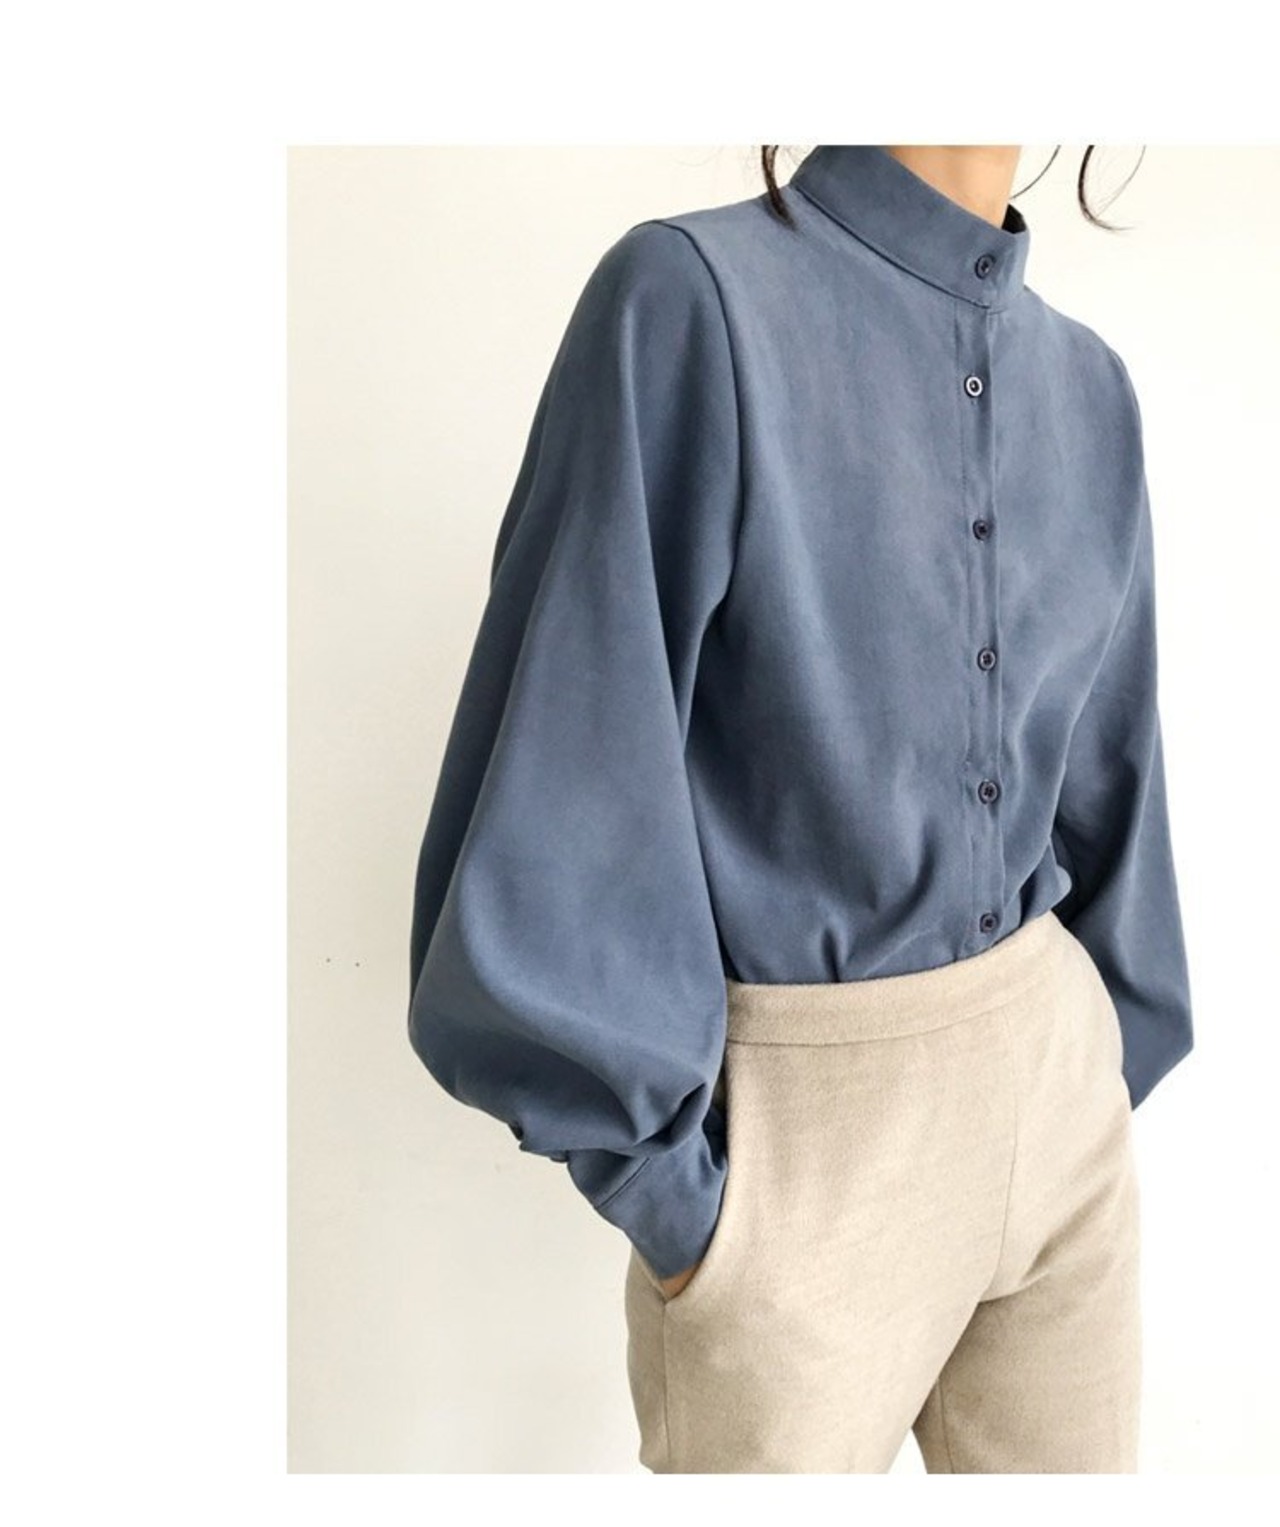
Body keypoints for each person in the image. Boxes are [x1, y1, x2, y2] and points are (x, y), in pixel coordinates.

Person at [405, 144, 1194, 1473]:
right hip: (807, 1161)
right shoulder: (689, 300)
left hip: (1061, 1118)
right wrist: (685, 1212)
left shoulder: (1090, 387)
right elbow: (566, 764)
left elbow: (1116, 771)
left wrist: (1102, 1066)